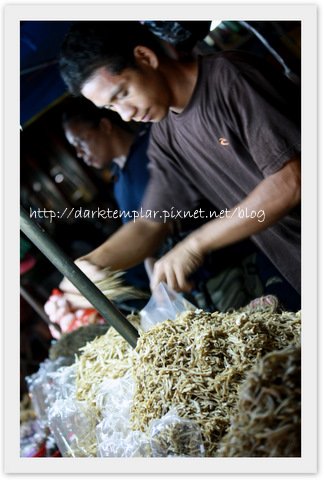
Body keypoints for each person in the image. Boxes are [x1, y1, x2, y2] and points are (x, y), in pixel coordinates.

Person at [59, 21, 301, 308]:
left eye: (122, 94)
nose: (124, 115)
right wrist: (88, 266)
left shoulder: (230, 77)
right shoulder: (165, 135)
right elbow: (151, 223)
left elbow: (291, 181)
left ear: (145, 57)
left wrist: (196, 244)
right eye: (111, 108)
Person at [62, 96, 153, 290]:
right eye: (74, 147)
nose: (79, 153)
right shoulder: (119, 181)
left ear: (105, 126)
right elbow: (144, 241)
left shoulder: (152, 150)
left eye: (81, 141)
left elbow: (153, 225)